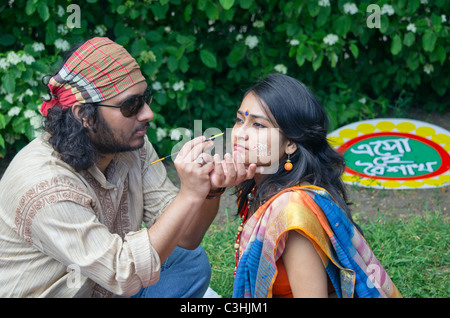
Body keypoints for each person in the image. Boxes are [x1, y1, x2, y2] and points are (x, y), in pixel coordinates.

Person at [0, 37, 256, 297]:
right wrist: (188, 194)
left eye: (145, 99)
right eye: (130, 105)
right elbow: (123, 275)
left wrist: (208, 191)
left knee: (187, 261)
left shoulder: (131, 149)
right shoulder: (45, 185)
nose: (147, 114)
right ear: (84, 116)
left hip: (107, 286)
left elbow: (186, 237)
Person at [231, 73, 402, 298]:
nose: (240, 134)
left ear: (290, 144)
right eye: (240, 120)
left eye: (259, 125)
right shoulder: (256, 188)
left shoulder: (293, 215)